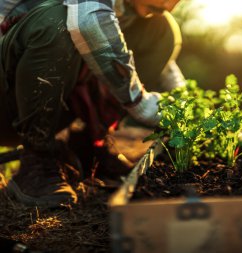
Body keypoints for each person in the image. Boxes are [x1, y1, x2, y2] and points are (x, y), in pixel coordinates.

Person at [0, 0, 185, 207]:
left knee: (159, 29)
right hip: (5, 101)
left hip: (41, 98)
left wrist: (184, 102)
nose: (170, 5)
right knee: (60, 20)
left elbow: (156, 61)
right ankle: (37, 156)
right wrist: (140, 102)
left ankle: (89, 144)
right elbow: (87, 22)